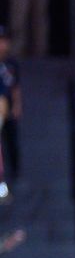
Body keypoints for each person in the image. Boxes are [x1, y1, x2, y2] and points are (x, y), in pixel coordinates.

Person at [0, 27, 21, 181]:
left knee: (12, 140)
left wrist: (17, 105)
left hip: (7, 106)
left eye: (4, 41)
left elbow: (15, 86)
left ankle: (15, 172)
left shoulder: (11, 63)